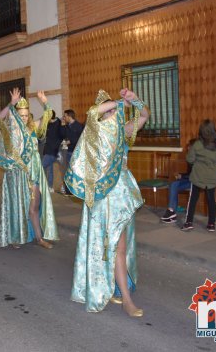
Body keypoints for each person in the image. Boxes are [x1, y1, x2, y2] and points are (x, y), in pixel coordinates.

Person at [66, 88, 149, 316]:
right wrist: (117, 103)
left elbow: (144, 116)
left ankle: (122, 294)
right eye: (110, 110)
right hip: (103, 196)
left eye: (116, 110)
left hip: (122, 196)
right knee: (108, 246)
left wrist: (135, 101)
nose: (115, 113)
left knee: (118, 246)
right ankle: (122, 296)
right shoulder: (95, 131)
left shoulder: (123, 130)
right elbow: (92, 112)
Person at [0, 88, 59, 249]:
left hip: (34, 172)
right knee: (18, 206)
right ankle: (17, 236)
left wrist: (45, 101)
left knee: (34, 206)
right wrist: (11, 104)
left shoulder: (33, 127)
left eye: (25, 115)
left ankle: (39, 238)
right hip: (18, 173)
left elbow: (48, 115)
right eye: (20, 115)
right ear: (15, 115)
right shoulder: (11, 130)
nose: (23, 118)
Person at [180, 121, 216, 232]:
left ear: (201, 130)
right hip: (212, 177)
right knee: (211, 200)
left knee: (193, 199)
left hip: (197, 176)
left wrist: (197, 161)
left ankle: (189, 223)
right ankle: (211, 224)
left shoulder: (197, 144)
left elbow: (189, 159)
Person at [59, 109, 83, 194]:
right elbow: (62, 135)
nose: (64, 118)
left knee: (75, 170)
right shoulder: (66, 126)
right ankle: (68, 190)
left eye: (65, 116)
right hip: (69, 152)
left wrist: (71, 141)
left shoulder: (78, 126)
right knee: (68, 170)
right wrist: (62, 125)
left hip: (76, 152)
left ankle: (76, 190)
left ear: (69, 116)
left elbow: (81, 138)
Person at [41, 110, 63, 193]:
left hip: (53, 150)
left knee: (41, 167)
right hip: (47, 149)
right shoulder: (48, 124)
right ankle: (50, 187)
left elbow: (61, 136)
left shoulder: (59, 124)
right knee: (49, 170)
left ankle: (40, 185)